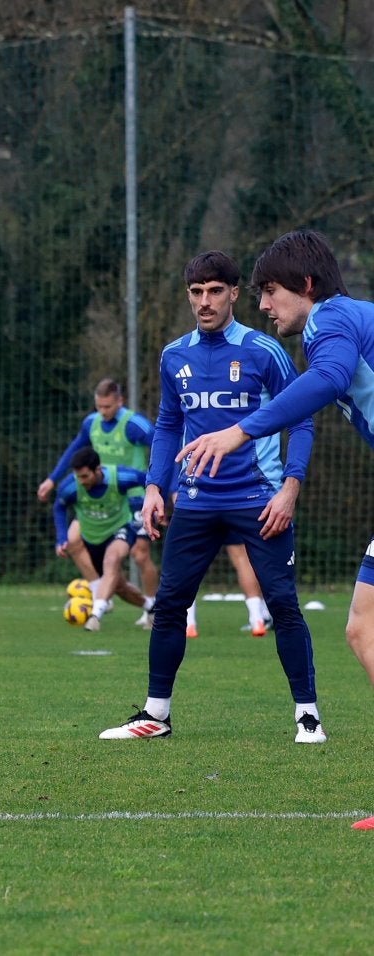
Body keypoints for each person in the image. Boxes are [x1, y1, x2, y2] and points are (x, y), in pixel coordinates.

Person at [176, 232, 374, 824]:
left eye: (269, 291)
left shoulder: (328, 320)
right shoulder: (355, 315)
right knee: (363, 626)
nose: (263, 305)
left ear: (305, 288)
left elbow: (330, 377)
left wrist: (240, 430)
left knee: (366, 626)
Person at [101, 250, 320, 745]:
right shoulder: (174, 354)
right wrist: (156, 486)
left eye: (215, 291)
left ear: (235, 293)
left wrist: (290, 487)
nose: (205, 301)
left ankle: (307, 715)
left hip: (258, 501)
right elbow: (167, 424)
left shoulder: (265, 351)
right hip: (196, 503)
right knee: (171, 604)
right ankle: (156, 715)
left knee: (283, 604)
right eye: (196, 292)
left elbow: (301, 419)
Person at [37, 378, 158, 622]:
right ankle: (99, 591)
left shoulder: (134, 424)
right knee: (72, 540)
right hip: (96, 495)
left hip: (133, 496)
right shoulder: (91, 423)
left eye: (108, 407)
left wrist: (165, 485)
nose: (103, 412)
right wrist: (52, 479)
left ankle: (154, 608)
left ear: (119, 401)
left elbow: (162, 446)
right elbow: (74, 451)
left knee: (140, 554)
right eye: (99, 407)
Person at [51, 447, 149, 631]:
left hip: (120, 529)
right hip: (92, 537)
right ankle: (151, 608)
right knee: (119, 587)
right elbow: (59, 507)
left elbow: (148, 480)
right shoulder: (70, 486)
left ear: (98, 469)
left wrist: (156, 502)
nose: (81, 481)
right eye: (78, 476)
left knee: (112, 559)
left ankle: (95, 615)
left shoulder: (120, 477)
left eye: (85, 476)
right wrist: (61, 538)